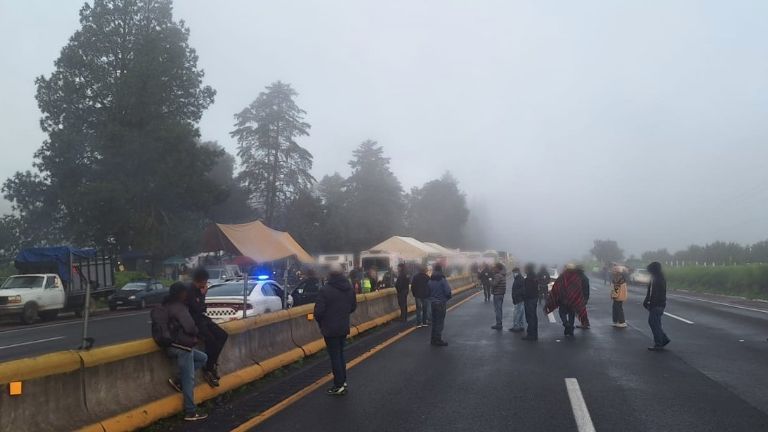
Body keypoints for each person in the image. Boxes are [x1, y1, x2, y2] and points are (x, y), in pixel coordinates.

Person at [164, 283, 209, 421]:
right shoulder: (180, 308)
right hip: (182, 347)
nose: (186, 295)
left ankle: (178, 380)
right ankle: (190, 411)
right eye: (184, 293)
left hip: (169, 346)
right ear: (180, 294)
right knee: (189, 379)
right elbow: (190, 327)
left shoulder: (165, 305)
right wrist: (196, 331)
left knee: (202, 358)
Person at [314, 263, 357, 395]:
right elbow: (353, 306)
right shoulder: (348, 288)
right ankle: (342, 381)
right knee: (340, 354)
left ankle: (339, 384)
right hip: (343, 326)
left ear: (329, 275)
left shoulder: (325, 290)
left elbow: (318, 312)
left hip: (329, 328)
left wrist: (322, 322)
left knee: (335, 356)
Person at [186, 268, 228, 387]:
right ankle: (209, 368)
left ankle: (212, 364)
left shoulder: (197, 290)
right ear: (202, 280)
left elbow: (202, 309)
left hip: (202, 320)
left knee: (223, 335)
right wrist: (203, 296)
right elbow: (198, 308)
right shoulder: (190, 291)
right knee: (212, 341)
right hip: (195, 322)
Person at [544, 264, 585, 337]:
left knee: (562, 313)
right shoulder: (576, 277)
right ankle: (570, 330)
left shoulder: (562, 276)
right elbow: (579, 289)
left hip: (564, 300)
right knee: (571, 315)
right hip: (573, 300)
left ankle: (566, 324)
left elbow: (557, 287)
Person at [644, 262, 670, 351]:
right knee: (655, 323)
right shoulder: (655, 278)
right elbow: (650, 292)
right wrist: (646, 300)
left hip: (657, 304)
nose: (649, 271)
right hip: (657, 304)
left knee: (654, 323)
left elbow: (656, 294)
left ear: (653, 270)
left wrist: (650, 304)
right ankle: (664, 339)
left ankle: (659, 344)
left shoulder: (658, 279)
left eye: (650, 270)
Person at [427, 264, 452, 346]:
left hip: (433, 303)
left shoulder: (430, 279)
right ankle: (438, 339)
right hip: (441, 303)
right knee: (440, 322)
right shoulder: (442, 279)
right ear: (441, 270)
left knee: (434, 322)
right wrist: (446, 298)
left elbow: (428, 290)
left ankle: (433, 339)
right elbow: (448, 291)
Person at [522, 264, 539, 341]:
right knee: (533, 317)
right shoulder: (534, 276)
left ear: (528, 269)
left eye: (525, 268)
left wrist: (523, 296)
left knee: (530, 317)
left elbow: (527, 291)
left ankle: (531, 334)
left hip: (529, 299)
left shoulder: (529, 278)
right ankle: (534, 334)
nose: (524, 269)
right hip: (534, 298)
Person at [508, 267, 525, 332]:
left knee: (517, 313)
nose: (513, 274)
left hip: (518, 299)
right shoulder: (518, 278)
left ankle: (516, 326)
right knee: (520, 313)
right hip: (519, 298)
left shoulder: (519, 279)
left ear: (517, 272)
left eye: (514, 272)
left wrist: (516, 295)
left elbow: (522, 289)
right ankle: (521, 326)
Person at [490, 263, 507, 330]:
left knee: (497, 310)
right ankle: (499, 323)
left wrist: (490, 280)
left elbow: (494, 284)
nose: (494, 269)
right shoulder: (503, 275)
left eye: (495, 268)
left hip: (497, 294)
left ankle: (499, 324)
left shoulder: (497, 275)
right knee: (499, 309)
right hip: (501, 294)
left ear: (498, 268)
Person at [575, 265, 591, 329]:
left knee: (580, 311)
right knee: (581, 310)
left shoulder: (581, 278)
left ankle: (585, 323)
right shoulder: (583, 277)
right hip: (583, 296)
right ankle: (585, 323)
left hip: (581, 297)